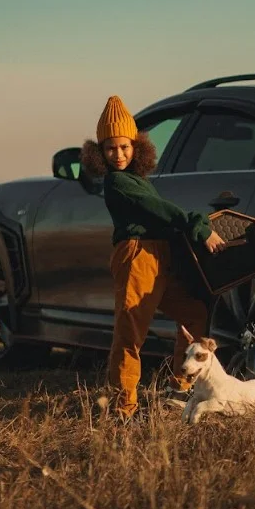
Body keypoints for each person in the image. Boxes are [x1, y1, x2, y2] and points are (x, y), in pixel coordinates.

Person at [81, 95, 226, 418]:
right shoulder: (117, 182)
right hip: (136, 255)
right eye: (110, 148)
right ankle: (123, 407)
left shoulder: (135, 179)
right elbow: (159, 211)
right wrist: (197, 227)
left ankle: (180, 388)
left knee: (194, 313)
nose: (118, 155)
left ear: (136, 147)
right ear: (100, 153)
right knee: (131, 332)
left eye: (124, 147)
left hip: (158, 256)